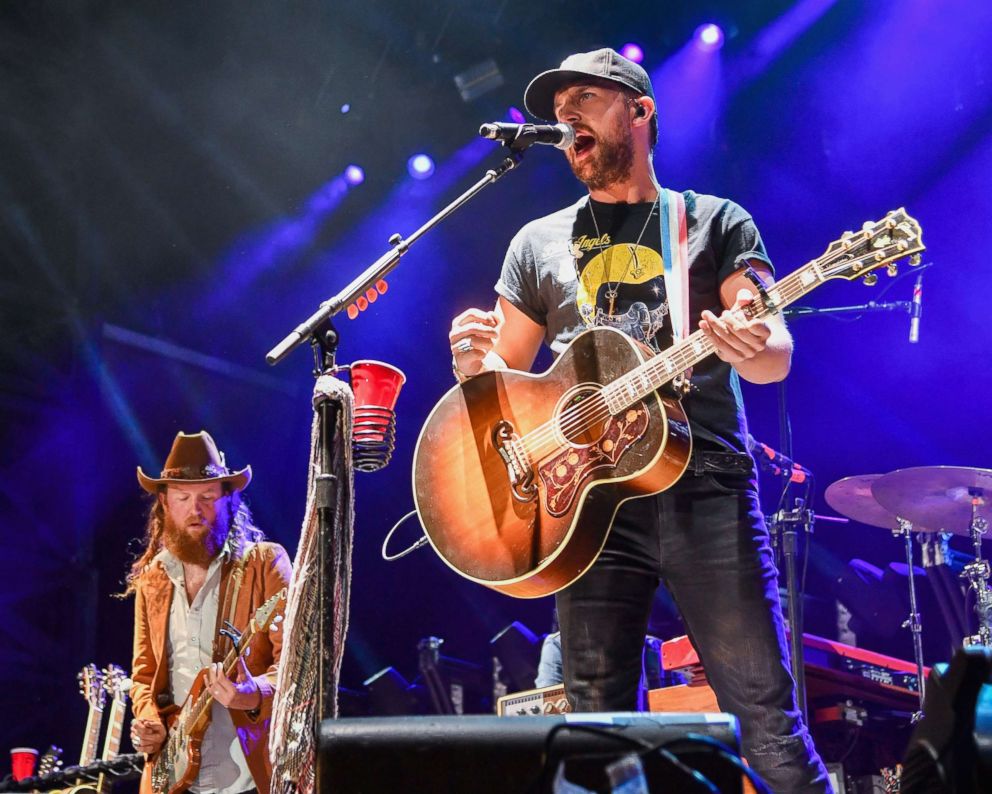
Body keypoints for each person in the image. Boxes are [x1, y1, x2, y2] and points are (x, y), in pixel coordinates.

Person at [448, 49, 830, 792]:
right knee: (598, 735)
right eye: (559, 107)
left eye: (585, 98)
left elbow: (773, 351)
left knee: (766, 722)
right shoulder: (537, 244)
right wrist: (472, 368)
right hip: (589, 507)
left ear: (640, 111)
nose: (566, 116)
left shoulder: (714, 222)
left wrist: (753, 341)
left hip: (706, 486)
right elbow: (506, 387)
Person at [124, 431, 291, 794]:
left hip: (248, 777)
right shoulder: (153, 580)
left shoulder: (265, 565)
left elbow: (296, 669)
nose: (195, 509)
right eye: (182, 497)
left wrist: (252, 692)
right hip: (174, 779)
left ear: (229, 500)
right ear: (164, 504)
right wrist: (148, 721)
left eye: (208, 497)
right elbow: (143, 675)